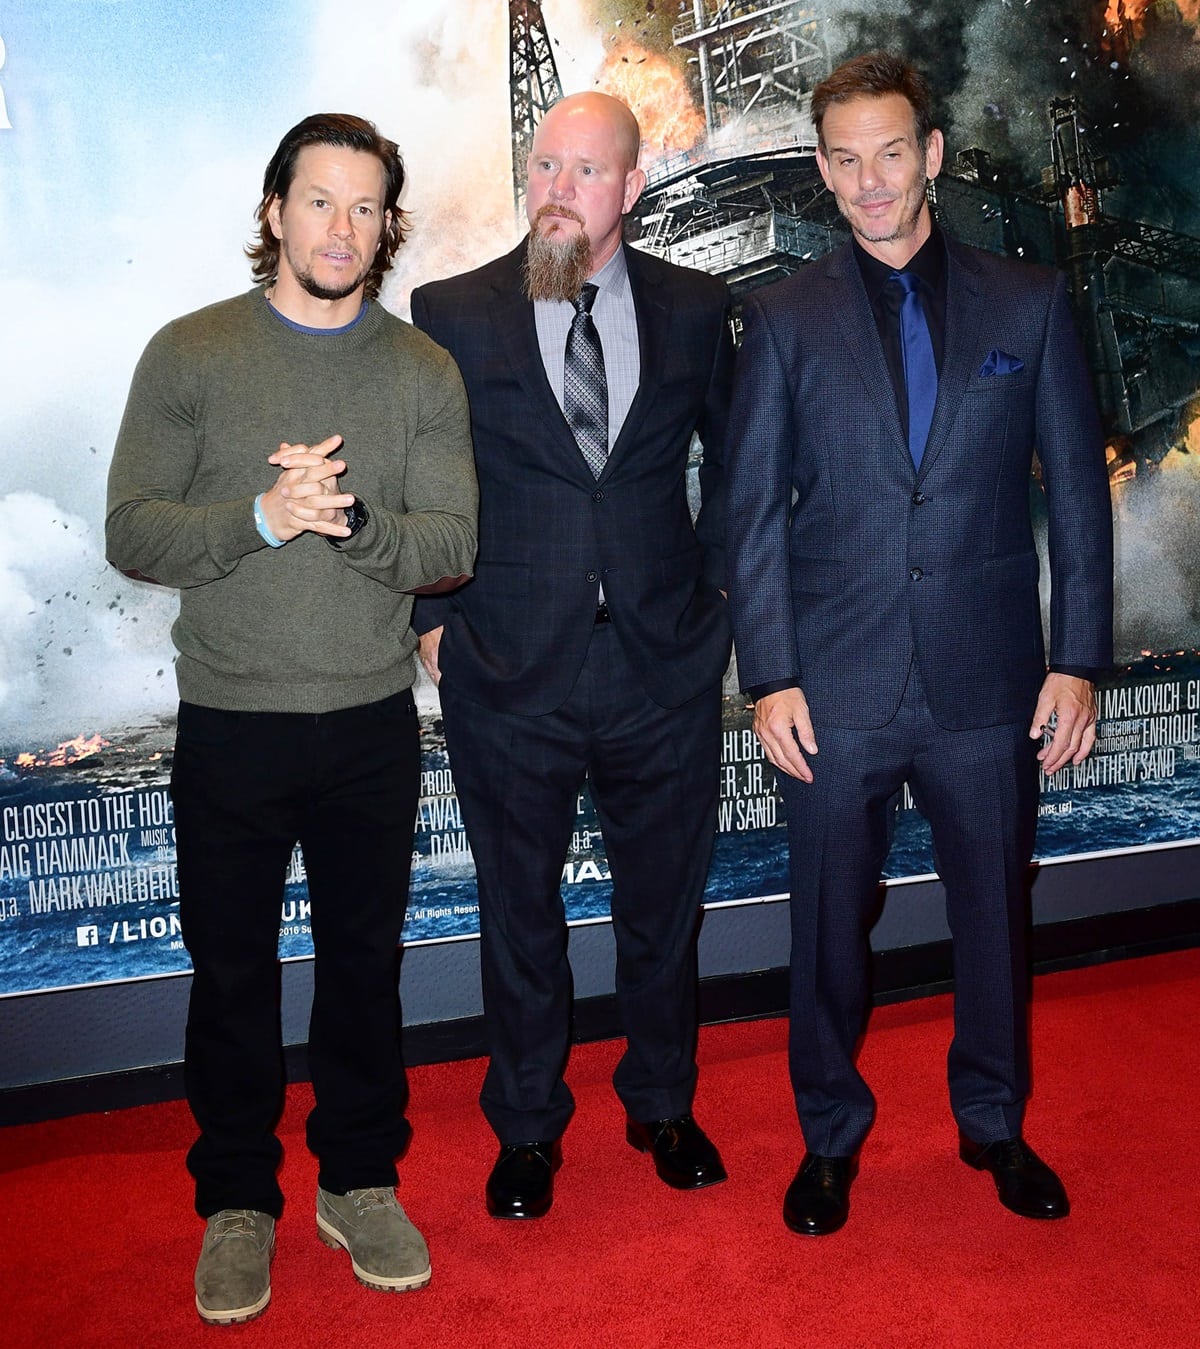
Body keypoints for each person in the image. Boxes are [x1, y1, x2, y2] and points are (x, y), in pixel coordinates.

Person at [726, 52, 1113, 1236]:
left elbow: (1081, 502)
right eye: (844, 160)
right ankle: (828, 1138)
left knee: (996, 916)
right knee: (825, 929)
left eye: (891, 151)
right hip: (833, 689)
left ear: (931, 154)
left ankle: (994, 1124)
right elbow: (746, 514)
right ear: (825, 174)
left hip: (989, 679)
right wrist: (771, 675)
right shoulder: (782, 320)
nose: (871, 180)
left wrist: (1079, 657)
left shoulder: (1030, 301)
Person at [105, 113, 478, 1322]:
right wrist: (263, 518)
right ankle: (238, 1201)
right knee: (233, 974)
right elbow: (134, 530)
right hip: (231, 722)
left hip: (370, 722)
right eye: (320, 202)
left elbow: (454, 543)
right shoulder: (189, 353)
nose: (343, 229)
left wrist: (355, 527)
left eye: (367, 208)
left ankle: (359, 1179)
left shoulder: (422, 370)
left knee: (363, 969)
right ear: (274, 212)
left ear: (388, 225)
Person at [410, 92, 734, 1219]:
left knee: (664, 909)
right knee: (519, 913)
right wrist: (427, 618)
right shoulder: (449, 312)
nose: (556, 187)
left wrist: (722, 611)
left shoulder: (697, 310)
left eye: (586, 171)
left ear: (631, 190)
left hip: (661, 670)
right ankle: (530, 1128)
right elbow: (418, 478)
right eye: (544, 164)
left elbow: (737, 474)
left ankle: (661, 1102)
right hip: (507, 670)